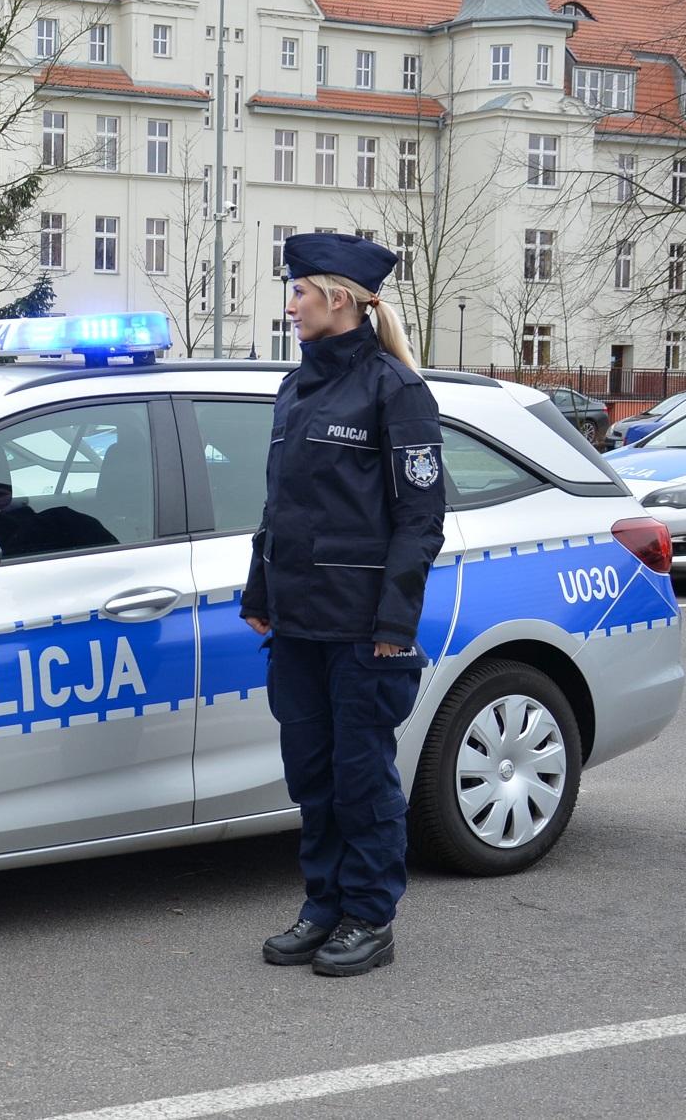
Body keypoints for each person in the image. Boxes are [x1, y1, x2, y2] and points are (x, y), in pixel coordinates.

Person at [242, 232, 446, 978]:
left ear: (338, 297)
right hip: (298, 623)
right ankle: (323, 905)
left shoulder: (395, 390)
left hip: (364, 629)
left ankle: (369, 914)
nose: (290, 305)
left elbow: (421, 519)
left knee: (362, 778)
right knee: (312, 773)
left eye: (299, 291)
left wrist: (395, 623)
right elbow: (279, 506)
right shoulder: (295, 389)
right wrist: (259, 591)